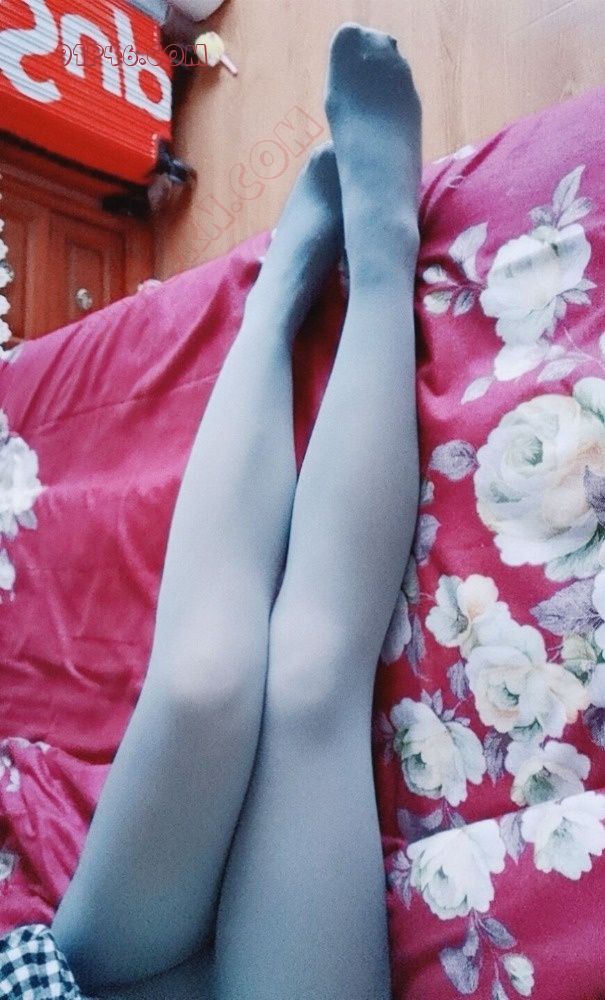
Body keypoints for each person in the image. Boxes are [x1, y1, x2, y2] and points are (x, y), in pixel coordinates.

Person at [0, 22, 422, 1000]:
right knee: (308, 680)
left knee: (202, 681)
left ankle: (273, 300)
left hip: (88, 970)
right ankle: (384, 259)